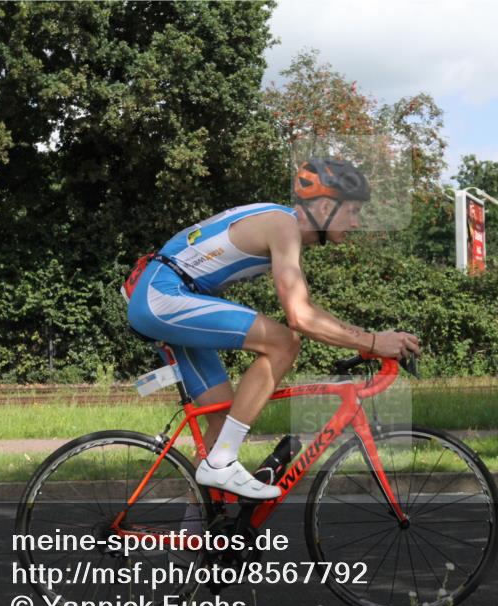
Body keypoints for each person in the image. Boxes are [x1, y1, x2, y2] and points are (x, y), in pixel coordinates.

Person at [121, 158, 421, 500]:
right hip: (162, 295)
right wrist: (373, 341)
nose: (356, 223)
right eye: (352, 211)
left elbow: (308, 310)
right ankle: (221, 463)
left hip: (163, 297)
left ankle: (199, 531)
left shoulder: (283, 225)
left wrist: (369, 340)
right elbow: (300, 319)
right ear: (325, 207)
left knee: (222, 420)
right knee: (284, 342)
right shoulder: (283, 226)